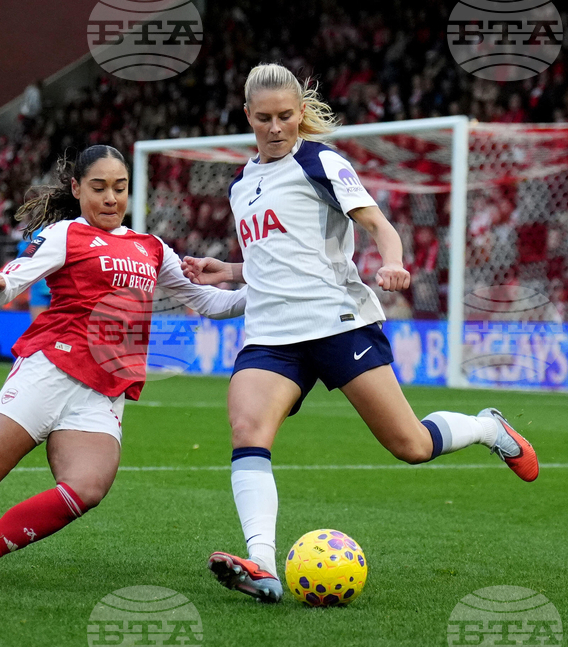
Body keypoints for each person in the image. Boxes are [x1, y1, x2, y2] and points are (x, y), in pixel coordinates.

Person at [180, 64, 539, 603]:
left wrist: (392, 262)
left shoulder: (320, 161)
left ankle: (488, 427)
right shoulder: (240, 185)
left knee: (411, 445)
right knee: (247, 429)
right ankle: (262, 565)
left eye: (285, 116)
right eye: (264, 118)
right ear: (247, 116)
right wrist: (229, 270)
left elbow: (378, 225)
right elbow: (277, 258)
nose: (275, 128)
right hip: (271, 334)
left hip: (336, 322)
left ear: (301, 112)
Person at [0, 145, 247, 592]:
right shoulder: (65, 234)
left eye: (120, 188)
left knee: (87, 488)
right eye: (99, 188)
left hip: (104, 390)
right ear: (77, 189)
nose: (111, 198)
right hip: (50, 370)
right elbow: (13, 280)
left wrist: (268, 292)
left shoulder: (152, 248)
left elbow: (209, 302)